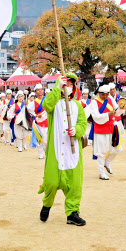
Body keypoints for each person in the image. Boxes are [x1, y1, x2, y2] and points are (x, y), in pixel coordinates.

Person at [38, 73, 88, 226]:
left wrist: (77, 130)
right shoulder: (54, 104)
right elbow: (46, 105)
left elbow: (83, 123)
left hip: (73, 151)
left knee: (74, 184)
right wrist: (57, 87)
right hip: (56, 147)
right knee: (52, 181)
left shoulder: (78, 105)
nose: (69, 87)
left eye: (71, 84)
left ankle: (72, 213)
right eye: (66, 84)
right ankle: (47, 205)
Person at [89, 85, 123, 180]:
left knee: (118, 148)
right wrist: (108, 114)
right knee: (101, 152)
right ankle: (101, 173)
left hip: (112, 128)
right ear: (99, 93)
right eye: (102, 94)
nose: (104, 96)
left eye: (106, 94)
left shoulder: (110, 99)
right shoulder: (94, 102)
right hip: (100, 130)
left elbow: (117, 111)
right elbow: (96, 117)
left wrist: (122, 108)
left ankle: (107, 162)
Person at [27, 84, 50, 159]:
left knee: (47, 137)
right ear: (35, 92)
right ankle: (40, 153)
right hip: (38, 122)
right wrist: (36, 115)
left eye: (41, 89)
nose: (40, 91)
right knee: (39, 138)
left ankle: (47, 151)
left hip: (47, 121)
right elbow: (29, 110)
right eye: (38, 90)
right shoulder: (33, 103)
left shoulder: (47, 100)